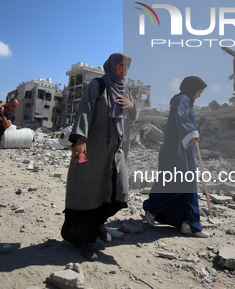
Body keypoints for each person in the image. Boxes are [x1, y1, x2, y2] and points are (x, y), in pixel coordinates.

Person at [62, 53, 137, 261]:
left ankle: (98, 223)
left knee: (119, 189)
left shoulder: (125, 89)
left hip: (116, 150)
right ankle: (86, 239)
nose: (125, 69)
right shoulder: (97, 85)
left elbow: (131, 116)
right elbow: (84, 111)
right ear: (112, 65)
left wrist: (132, 107)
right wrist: (80, 139)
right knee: (88, 192)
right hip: (93, 149)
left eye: (128, 66)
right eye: (122, 65)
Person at [143, 76, 210, 238]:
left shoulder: (186, 101)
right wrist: (191, 132)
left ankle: (188, 223)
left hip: (184, 150)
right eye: (199, 92)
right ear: (192, 89)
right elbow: (182, 118)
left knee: (188, 184)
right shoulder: (182, 99)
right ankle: (152, 208)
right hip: (176, 150)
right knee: (178, 182)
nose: (199, 95)